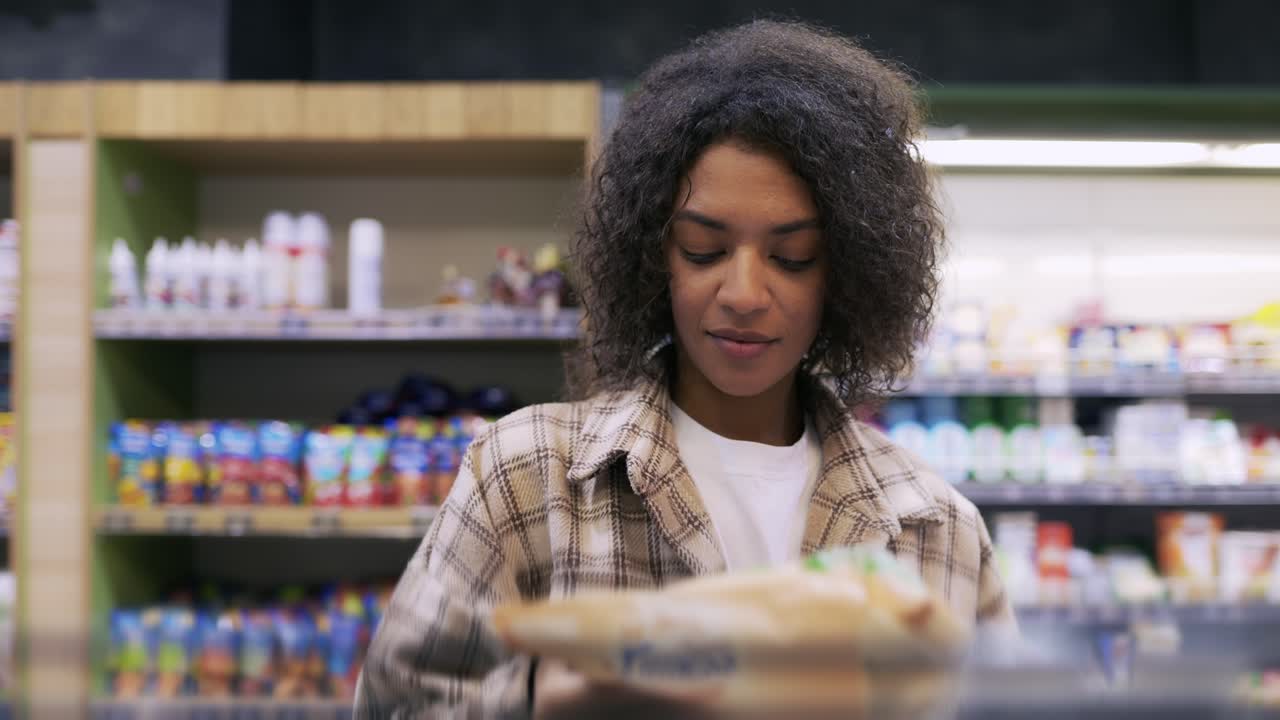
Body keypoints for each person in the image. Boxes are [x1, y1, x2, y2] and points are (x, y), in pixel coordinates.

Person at [357, 19, 1013, 718]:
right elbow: (397, 704)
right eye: (703, 248)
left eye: (792, 258)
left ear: (847, 275)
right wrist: (536, 700)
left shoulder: (935, 529)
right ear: (654, 255)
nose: (743, 294)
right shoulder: (526, 477)